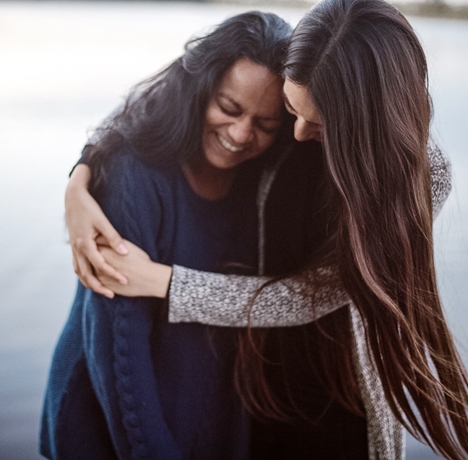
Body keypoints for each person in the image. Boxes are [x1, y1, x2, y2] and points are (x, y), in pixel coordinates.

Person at [58, 1, 468, 460]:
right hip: (256, 385)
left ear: (364, 120)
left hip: (343, 396)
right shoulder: (297, 81)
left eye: (320, 124)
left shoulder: (423, 176)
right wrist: (80, 176)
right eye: (290, 109)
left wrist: (169, 284)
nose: (299, 132)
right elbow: (170, 94)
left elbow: (319, 292)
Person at [41, 11, 304, 460]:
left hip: (210, 411)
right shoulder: (134, 173)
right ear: (200, 88)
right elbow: (118, 352)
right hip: (111, 421)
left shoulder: (265, 181)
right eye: (228, 107)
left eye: (265, 125)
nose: (241, 135)